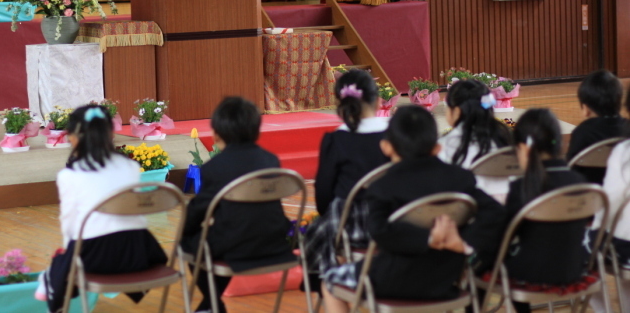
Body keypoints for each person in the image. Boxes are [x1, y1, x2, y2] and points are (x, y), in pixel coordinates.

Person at [321, 106, 506, 313]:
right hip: (445, 280)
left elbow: (380, 231)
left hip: (391, 281)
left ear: (386, 147)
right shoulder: (460, 178)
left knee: (329, 280)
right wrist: (463, 243)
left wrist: (427, 239)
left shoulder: (382, 186)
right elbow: (496, 213)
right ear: (437, 147)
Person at [36, 105, 167, 313]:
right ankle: (54, 277)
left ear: (72, 137)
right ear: (112, 133)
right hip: (139, 252)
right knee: (66, 264)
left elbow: (69, 222)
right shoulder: (130, 167)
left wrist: (69, 252)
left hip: (95, 256)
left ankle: (53, 282)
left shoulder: (70, 175)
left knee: (63, 264)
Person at [182, 96, 294, 313]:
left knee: (191, 243)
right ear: (256, 129)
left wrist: (185, 230)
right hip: (275, 242)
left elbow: (199, 211)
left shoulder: (215, 167)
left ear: (216, 132)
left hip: (234, 247)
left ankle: (211, 303)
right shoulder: (270, 161)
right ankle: (211, 305)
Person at [304, 69, 389, 283]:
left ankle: (327, 285)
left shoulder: (336, 140)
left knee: (315, 235)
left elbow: (323, 196)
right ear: (379, 102)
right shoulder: (397, 133)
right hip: (397, 219)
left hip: (351, 227)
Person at [503, 109, 587, 313]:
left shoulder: (522, 187)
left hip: (531, 274)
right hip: (575, 269)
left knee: (492, 256)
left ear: (523, 148)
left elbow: (505, 234)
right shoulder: (580, 183)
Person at [588, 86, 630, 312]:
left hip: (626, 247)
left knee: (584, 247)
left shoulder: (624, 151)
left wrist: (595, 232)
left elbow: (610, 200)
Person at [439, 79, 513, 201]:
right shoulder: (505, 137)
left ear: (457, 112)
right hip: (508, 212)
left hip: (467, 212)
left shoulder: (446, 145)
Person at [566, 69, 628, 184]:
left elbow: (572, 169)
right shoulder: (627, 129)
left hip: (590, 197)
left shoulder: (582, 132)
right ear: (619, 102)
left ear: (585, 109)